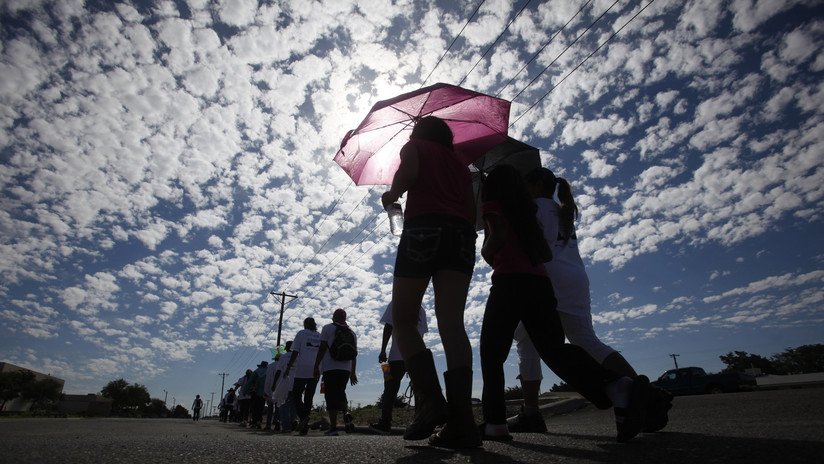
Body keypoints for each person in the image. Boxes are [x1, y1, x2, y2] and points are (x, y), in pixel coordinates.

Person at [479, 164, 649, 443]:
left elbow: (495, 240)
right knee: (556, 349)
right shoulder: (532, 210)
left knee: (492, 353)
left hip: (511, 283)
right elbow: (544, 253)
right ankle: (616, 385)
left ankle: (496, 423)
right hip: (541, 283)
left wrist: (488, 251)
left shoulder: (496, 204)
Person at [380, 115, 480, 449]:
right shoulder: (460, 164)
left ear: (418, 132)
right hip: (462, 235)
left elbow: (406, 176)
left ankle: (431, 401)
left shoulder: (415, 147)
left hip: (424, 227)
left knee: (404, 319)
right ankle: (463, 422)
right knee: (452, 323)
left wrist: (391, 196)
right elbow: (470, 209)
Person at [369, 302, 428, 434]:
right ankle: (420, 423)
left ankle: (385, 424)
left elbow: (388, 326)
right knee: (418, 389)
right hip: (415, 356)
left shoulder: (396, 302)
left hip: (395, 357)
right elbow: (421, 335)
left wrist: (383, 350)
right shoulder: (421, 310)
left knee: (389, 389)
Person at [313, 308, 358, 436]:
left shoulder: (327, 328)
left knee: (331, 395)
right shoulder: (352, 333)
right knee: (341, 392)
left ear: (333, 317)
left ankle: (333, 427)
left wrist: (316, 366)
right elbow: (354, 354)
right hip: (346, 369)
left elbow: (322, 348)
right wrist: (352, 372)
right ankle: (346, 414)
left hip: (330, 367)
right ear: (345, 318)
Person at [284, 317, 321, 435]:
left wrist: (288, 367)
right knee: (309, 397)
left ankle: (303, 418)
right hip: (316, 369)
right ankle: (305, 422)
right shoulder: (319, 335)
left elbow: (295, 351)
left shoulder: (301, 333)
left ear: (305, 324)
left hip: (302, 369)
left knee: (296, 395)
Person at [250, 361, 269, 428]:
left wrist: (248, 389)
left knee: (254, 407)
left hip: (255, 391)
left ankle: (254, 422)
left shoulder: (256, 371)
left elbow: (250, 381)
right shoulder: (267, 372)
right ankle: (259, 421)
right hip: (264, 392)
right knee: (261, 407)